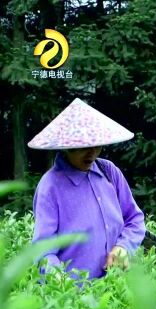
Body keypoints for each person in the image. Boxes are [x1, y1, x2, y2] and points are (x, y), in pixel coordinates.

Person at [29, 98, 146, 280]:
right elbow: (43, 251)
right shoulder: (50, 186)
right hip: (75, 299)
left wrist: (123, 247)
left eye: (96, 146)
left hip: (116, 293)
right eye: (83, 147)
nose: (91, 153)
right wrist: (64, 287)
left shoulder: (109, 172)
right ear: (66, 147)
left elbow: (134, 220)